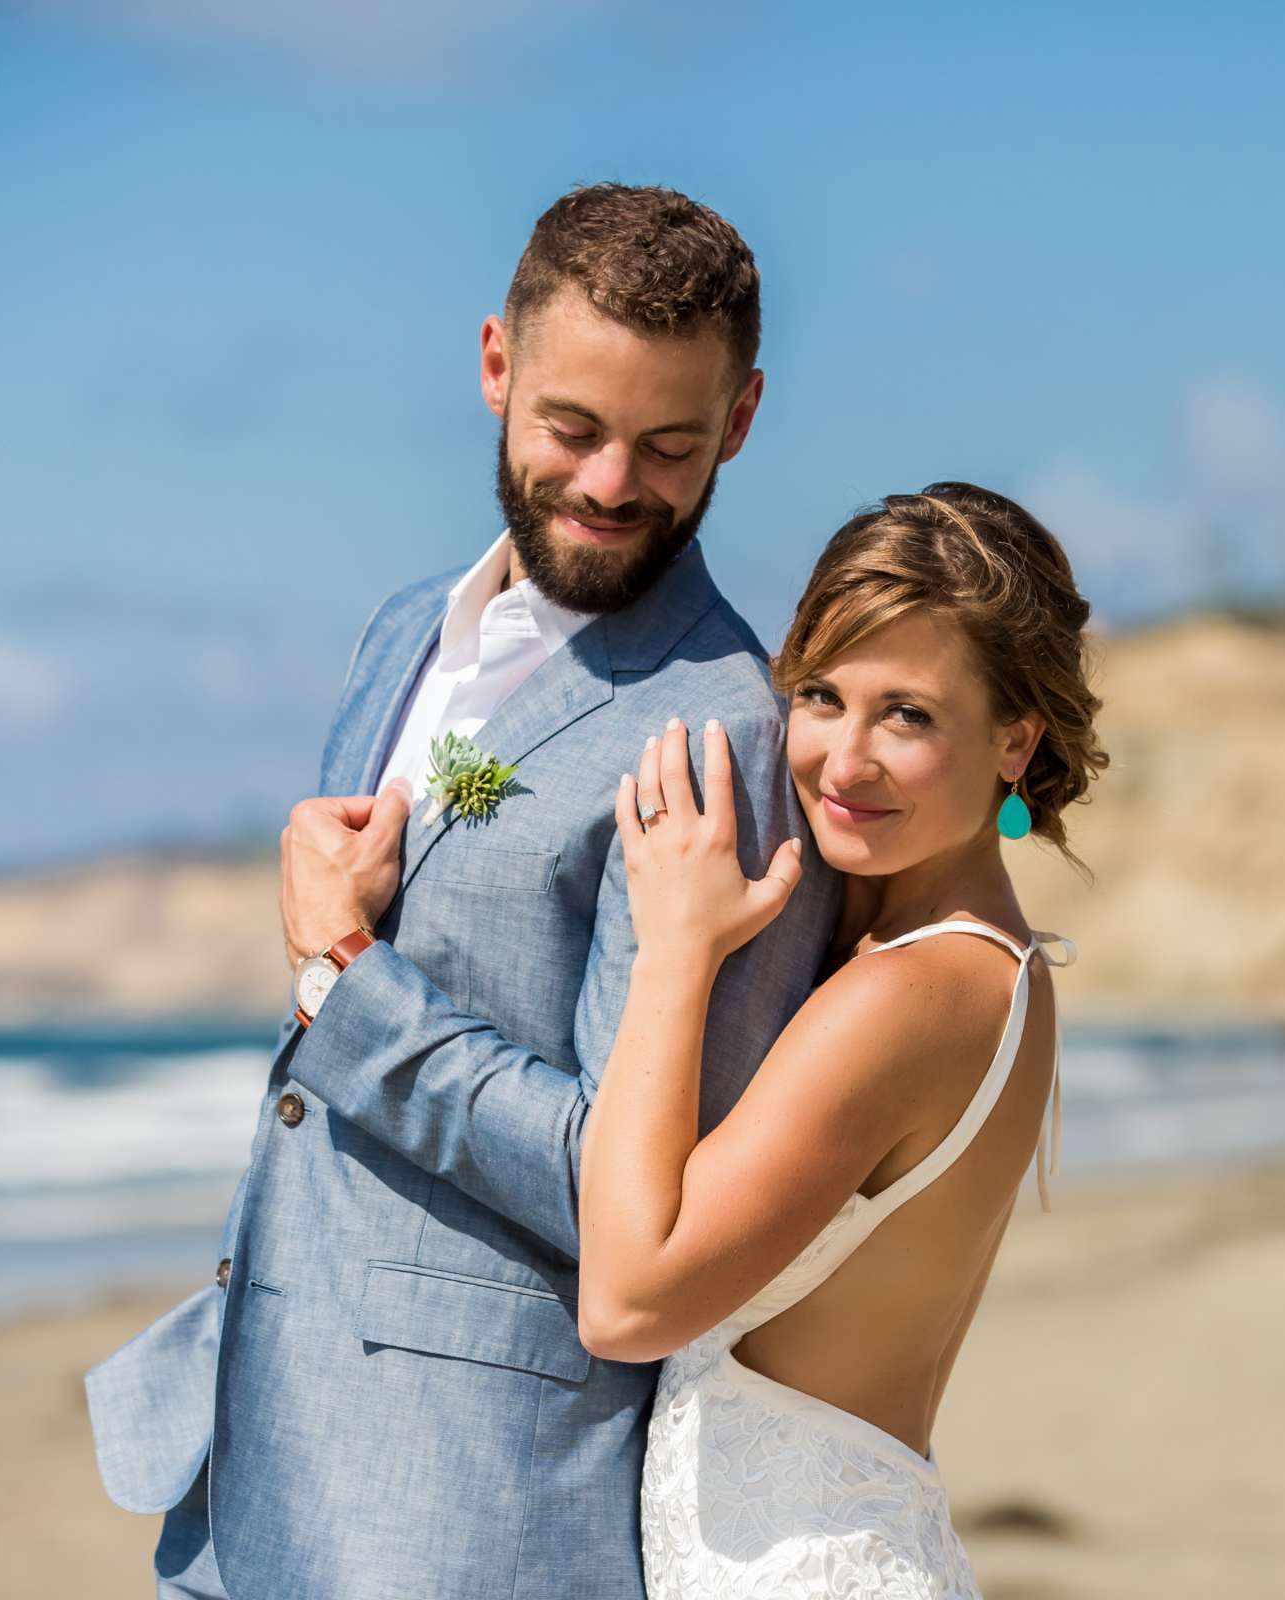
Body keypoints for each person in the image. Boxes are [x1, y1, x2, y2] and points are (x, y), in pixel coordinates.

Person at [84, 182, 840, 1600]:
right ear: (496, 364)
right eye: (571, 427)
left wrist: (344, 977)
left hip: (465, 1514)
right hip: (253, 1467)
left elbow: (635, 1202)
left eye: (670, 445)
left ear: (739, 422)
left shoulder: (723, 731)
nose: (613, 484)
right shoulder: (399, 628)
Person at [578, 483, 1107, 1597]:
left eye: (908, 714)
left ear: (1015, 741)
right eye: (821, 694)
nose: (844, 761)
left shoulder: (912, 994)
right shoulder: (989, 965)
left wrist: (674, 949)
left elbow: (628, 1301)